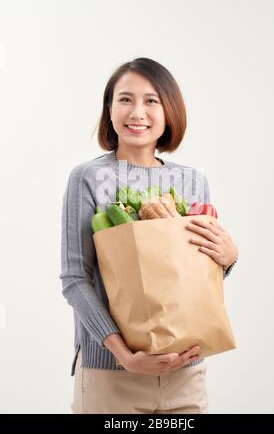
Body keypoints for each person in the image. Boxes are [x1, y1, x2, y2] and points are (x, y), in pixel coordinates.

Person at [59, 57, 238, 414]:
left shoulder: (193, 181)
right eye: (125, 99)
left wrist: (229, 258)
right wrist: (124, 355)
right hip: (111, 376)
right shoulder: (88, 178)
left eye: (151, 100)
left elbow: (195, 274)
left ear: (169, 110)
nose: (137, 112)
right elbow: (75, 279)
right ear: (109, 110)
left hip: (186, 373)